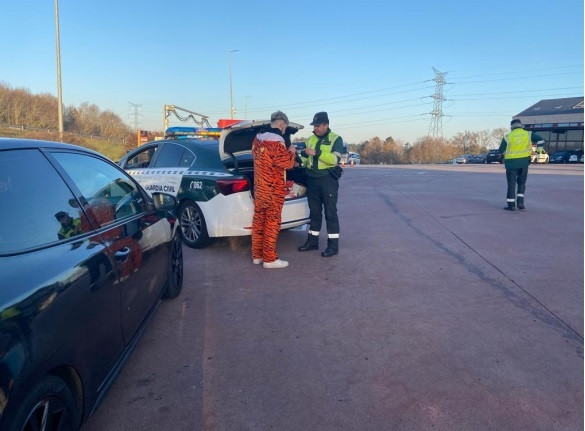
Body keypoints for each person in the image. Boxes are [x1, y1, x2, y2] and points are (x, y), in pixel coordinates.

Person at [251, 111, 297, 269]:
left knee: (258, 221)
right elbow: (288, 164)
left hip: (259, 188)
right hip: (273, 189)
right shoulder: (276, 142)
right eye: (285, 128)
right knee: (272, 222)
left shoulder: (257, 139)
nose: (284, 131)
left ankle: (257, 255)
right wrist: (291, 150)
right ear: (282, 124)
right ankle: (270, 259)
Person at [298, 111, 344, 257]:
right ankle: (312, 242)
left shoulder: (335, 139)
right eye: (314, 125)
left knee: (330, 213)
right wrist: (298, 160)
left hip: (327, 181)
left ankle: (333, 246)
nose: (315, 128)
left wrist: (316, 153)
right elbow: (305, 160)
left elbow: (334, 160)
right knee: (314, 213)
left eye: (318, 125)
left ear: (326, 125)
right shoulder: (309, 139)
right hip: (312, 181)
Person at [498, 119, 544, 211]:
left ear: (511, 127)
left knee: (511, 184)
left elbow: (501, 150)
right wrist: (539, 151)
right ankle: (520, 203)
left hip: (511, 164)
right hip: (524, 163)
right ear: (520, 125)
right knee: (522, 183)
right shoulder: (528, 134)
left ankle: (511, 205)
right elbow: (541, 140)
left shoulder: (507, 136)